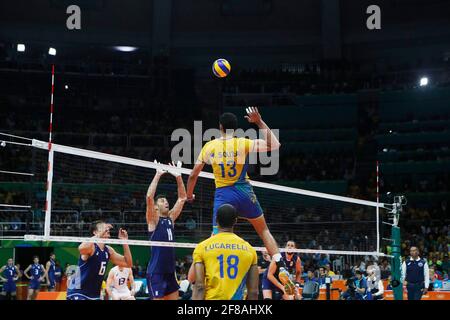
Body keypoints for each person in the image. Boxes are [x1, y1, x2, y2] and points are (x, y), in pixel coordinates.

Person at [186, 108, 294, 293]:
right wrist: (259, 122)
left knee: (214, 238)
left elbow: (194, 175)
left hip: (223, 195)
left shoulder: (209, 147)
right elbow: (275, 145)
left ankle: (194, 278)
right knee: (264, 230)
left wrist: (189, 195)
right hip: (244, 191)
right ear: (235, 129)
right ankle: (280, 264)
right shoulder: (243, 143)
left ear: (220, 127)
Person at [192, 204, 259, 300]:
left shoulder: (202, 247)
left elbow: (199, 286)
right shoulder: (250, 250)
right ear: (235, 221)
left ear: (216, 220)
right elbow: (253, 292)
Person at [146, 161, 186, 300]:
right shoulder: (153, 220)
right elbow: (149, 198)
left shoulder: (170, 219)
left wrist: (178, 176)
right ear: (156, 207)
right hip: (157, 272)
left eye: (166, 200)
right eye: (162, 201)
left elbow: (182, 198)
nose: (166, 202)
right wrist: (158, 174)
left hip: (170, 272)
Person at [66, 221, 133, 300]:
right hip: (79, 292)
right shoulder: (91, 247)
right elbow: (81, 249)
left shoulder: (108, 250)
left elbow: (128, 263)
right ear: (95, 232)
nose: (107, 229)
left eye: (107, 228)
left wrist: (125, 241)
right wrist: (99, 235)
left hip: (94, 295)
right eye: (103, 228)